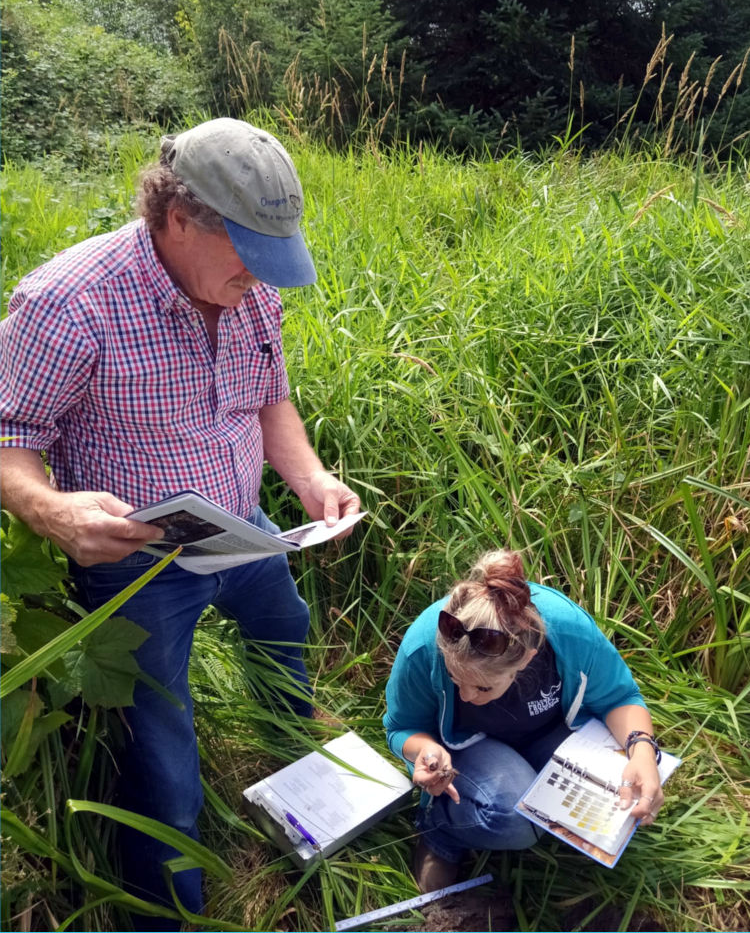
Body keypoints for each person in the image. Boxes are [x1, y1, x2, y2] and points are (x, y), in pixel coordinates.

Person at [0, 118, 360, 923]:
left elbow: (270, 399)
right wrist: (52, 512)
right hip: (137, 562)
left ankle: (304, 796)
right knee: (161, 758)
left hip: (244, 526)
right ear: (177, 219)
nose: (260, 280)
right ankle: (170, 914)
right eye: (246, 255)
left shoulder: (248, 288)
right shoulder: (67, 301)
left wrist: (307, 476)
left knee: (284, 639)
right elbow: (9, 440)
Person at [383, 548, 664, 892]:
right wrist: (425, 749)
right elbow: (400, 727)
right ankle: (442, 829)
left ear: (527, 659)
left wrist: (642, 751)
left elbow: (620, 697)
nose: (468, 696)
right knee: (515, 820)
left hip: (553, 733)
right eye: (456, 681)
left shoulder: (569, 631)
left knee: (619, 798)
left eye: (483, 687)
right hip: (472, 746)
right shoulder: (424, 647)